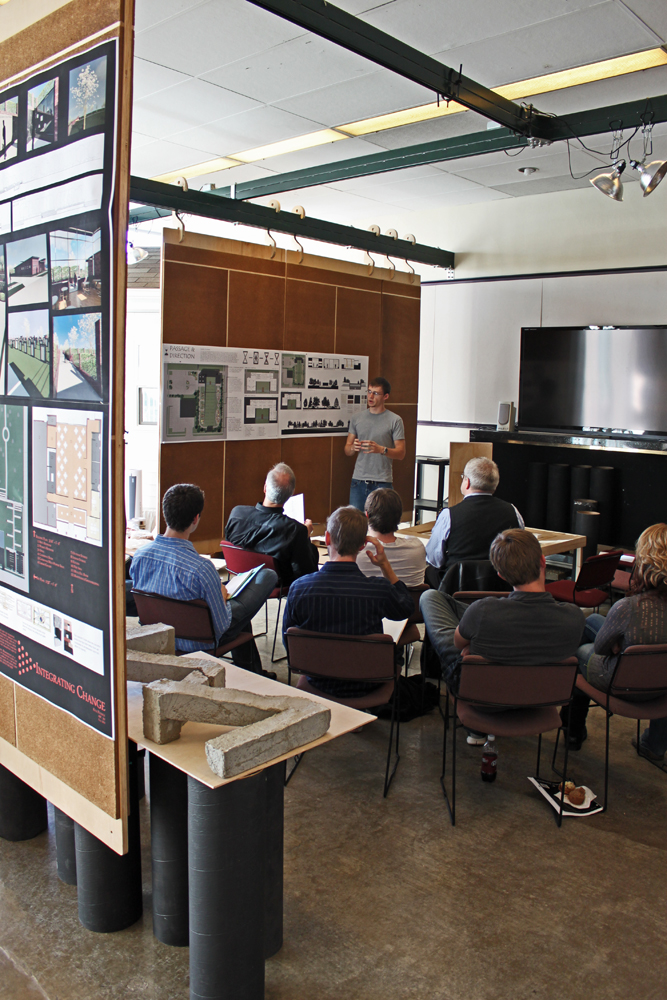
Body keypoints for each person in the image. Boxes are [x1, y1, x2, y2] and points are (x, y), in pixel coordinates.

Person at [421, 528, 585, 742]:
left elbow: (457, 643)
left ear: (501, 574)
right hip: (541, 699)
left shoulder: (483, 610)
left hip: (482, 699)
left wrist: (473, 648)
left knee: (429, 597)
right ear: (543, 561)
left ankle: (477, 646)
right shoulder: (574, 617)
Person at [130, 483, 278, 675]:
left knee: (240, 613)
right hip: (200, 642)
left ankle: (253, 671)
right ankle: (252, 673)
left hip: (157, 635)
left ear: (165, 513)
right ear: (196, 518)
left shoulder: (140, 556)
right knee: (267, 576)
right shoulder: (202, 569)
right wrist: (221, 597)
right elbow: (222, 626)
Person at [282, 505, 414, 697]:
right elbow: (406, 609)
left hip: (318, 680)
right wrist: (385, 565)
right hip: (368, 682)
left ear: (327, 538)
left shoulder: (299, 589)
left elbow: (289, 641)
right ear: (362, 546)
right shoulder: (379, 590)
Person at [564, 523, 667, 759]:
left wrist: (617, 645)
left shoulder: (628, 608)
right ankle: (654, 745)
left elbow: (600, 649)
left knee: (580, 652)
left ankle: (573, 732)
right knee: (594, 620)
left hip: (622, 683)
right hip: (662, 687)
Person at [425, 457, 524, 579]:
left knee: (429, 571)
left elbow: (434, 559)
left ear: (467, 482)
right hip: (501, 583)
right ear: (495, 484)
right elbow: (519, 551)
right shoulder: (513, 511)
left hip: (458, 585)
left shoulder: (449, 515)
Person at [224, 462, 319, 586]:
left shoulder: (237, 514)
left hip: (240, 581)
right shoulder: (295, 530)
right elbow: (305, 576)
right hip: (278, 586)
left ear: (265, 488)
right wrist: (305, 537)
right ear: (291, 494)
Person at [344, 377, 405, 511]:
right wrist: (353, 447)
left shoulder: (395, 420)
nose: (371, 396)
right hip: (358, 481)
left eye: (376, 393)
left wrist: (381, 450)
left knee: (381, 520)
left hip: (382, 482)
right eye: (369, 392)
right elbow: (347, 450)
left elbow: (401, 453)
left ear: (385, 396)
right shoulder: (357, 418)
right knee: (355, 520)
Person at [356, 487, 426, 587]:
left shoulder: (355, 553)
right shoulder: (417, 547)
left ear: (366, 515)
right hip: (407, 597)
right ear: (400, 516)